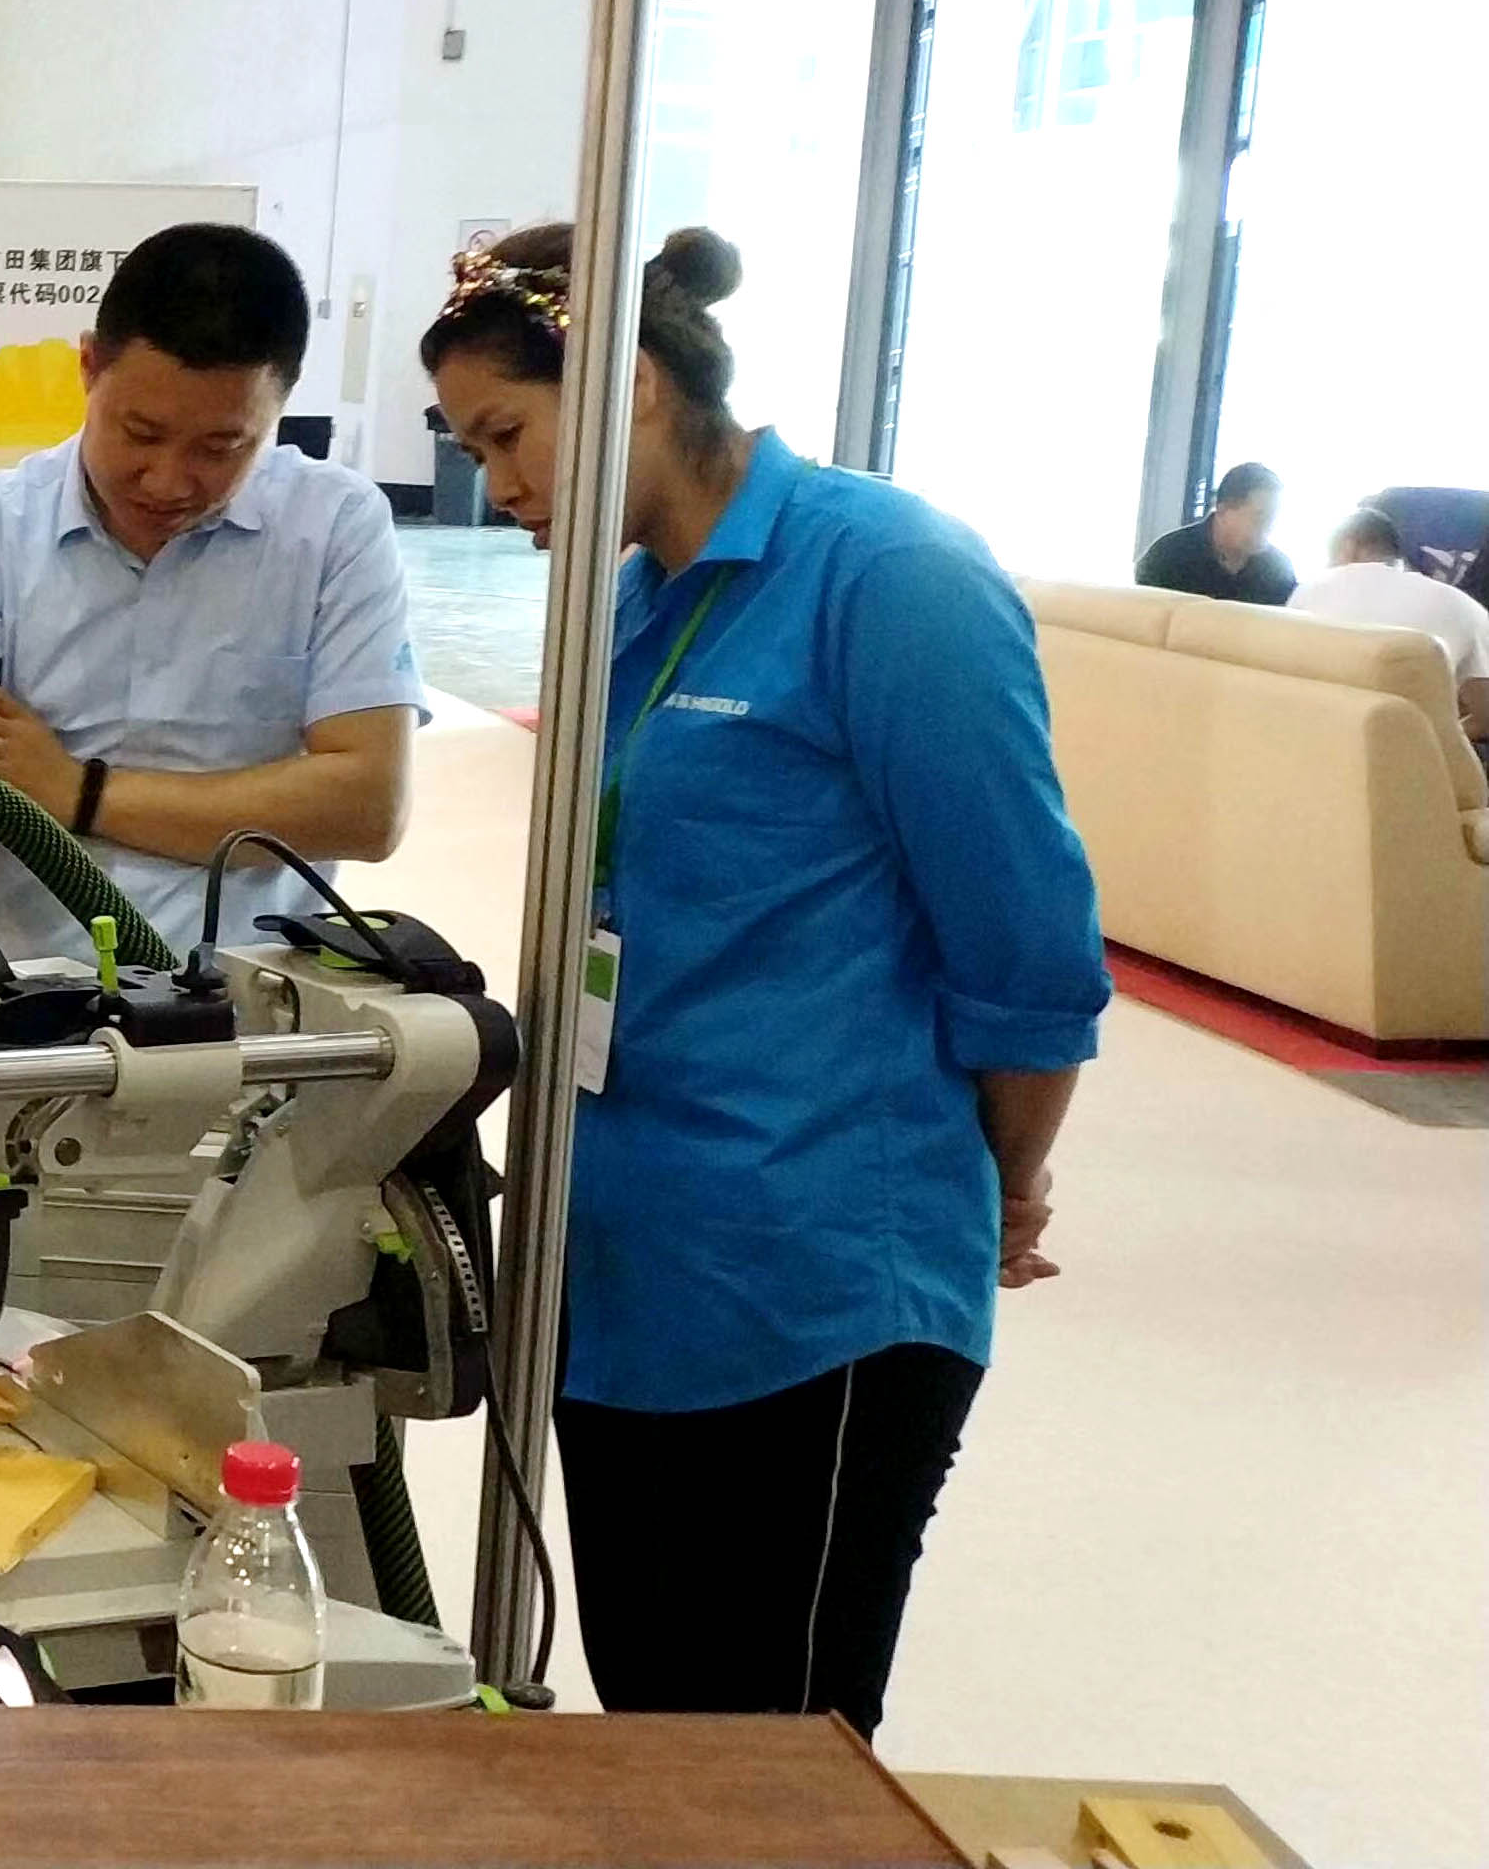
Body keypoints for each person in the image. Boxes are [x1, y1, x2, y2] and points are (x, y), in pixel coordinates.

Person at [424, 223, 1107, 1736]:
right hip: (626, 1273)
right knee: (655, 1722)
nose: (497, 483)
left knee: (773, 1753)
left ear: (633, 384)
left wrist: (1001, 1184)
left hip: (814, 1286)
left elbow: (1025, 947)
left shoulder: (892, 580)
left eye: (508, 434)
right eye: (472, 448)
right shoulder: (632, 604)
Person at [0, 222, 420, 963]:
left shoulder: (334, 527)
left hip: (257, 997)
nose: (167, 482)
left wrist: (79, 792)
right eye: (139, 433)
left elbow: (367, 806)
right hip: (31, 987)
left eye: (220, 448)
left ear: (279, 407)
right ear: (88, 368)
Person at [1290, 507, 1489, 742]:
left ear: (1348, 547)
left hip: (1308, 740)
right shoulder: (1463, 605)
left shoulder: (1307, 591)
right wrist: (1434, 742)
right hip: (1406, 751)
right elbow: (1485, 717)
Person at [1137, 461, 1293, 605]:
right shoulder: (1168, 556)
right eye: (1260, 517)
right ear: (1223, 511)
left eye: (1274, 518)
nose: (1269, 527)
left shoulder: (1277, 570)